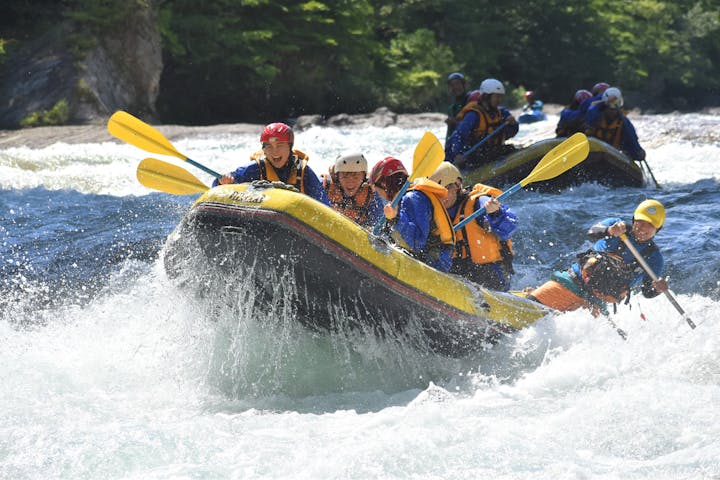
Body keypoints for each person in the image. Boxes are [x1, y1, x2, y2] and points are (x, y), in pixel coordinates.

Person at [528, 199, 669, 316]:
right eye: (641, 222)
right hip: (571, 283)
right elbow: (591, 232)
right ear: (634, 220)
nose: (643, 228)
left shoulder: (654, 258)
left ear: (658, 229)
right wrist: (609, 230)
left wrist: (657, 289)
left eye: (650, 225)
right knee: (530, 307)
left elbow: (647, 292)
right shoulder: (617, 225)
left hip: (597, 303)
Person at [429, 162, 518, 291]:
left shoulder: (478, 203)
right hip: (458, 274)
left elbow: (510, 226)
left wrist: (496, 213)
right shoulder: (432, 210)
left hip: (491, 274)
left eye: (443, 191)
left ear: (457, 186)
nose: (440, 198)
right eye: (435, 193)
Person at [370, 157, 455, 272]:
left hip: (434, 262)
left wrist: (396, 218)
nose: (377, 192)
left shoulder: (412, 198)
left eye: (376, 187)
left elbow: (417, 243)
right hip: (426, 258)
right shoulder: (406, 198)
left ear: (384, 184)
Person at [214, 122, 329, 205]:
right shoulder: (255, 168)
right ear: (264, 150)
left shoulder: (304, 172)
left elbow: (323, 205)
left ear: (290, 147)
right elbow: (220, 185)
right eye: (269, 146)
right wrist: (222, 181)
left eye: (280, 145)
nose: (275, 151)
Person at [445, 78, 519, 170]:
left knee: (509, 149)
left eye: (500, 96)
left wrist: (513, 124)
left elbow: (512, 132)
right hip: (476, 157)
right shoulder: (473, 115)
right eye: (496, 96)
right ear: (486, 97)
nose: (499, 100)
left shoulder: (502, 112)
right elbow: (458, 136)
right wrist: (458, 154)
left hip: (494, 152)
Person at [320, 152, 384, 228]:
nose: (350, 181)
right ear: (337, 176)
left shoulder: (372, 193)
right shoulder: (324, 186)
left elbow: (378, 224)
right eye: (345, 176)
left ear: (364, 177)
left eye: (356, 176)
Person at [585, 87, 646, 161]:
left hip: (613, 155)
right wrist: (605, 102)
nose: (612, 112)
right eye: (609, 109)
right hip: (593, 151)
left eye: (614, 109)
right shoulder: (596, 115)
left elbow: (631, 141)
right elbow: (589, 109)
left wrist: (638, 152)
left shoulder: (624, 123)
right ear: (604, 107)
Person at [444, 72, 471, 144]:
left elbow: (472, 126)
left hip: (469, 143)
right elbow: (450, 134)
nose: (455, 87)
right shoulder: (451, 108)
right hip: (456, 145)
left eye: (458, 83)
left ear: (464, 85)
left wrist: (454, 122)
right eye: (452, 85)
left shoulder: (471, 100)